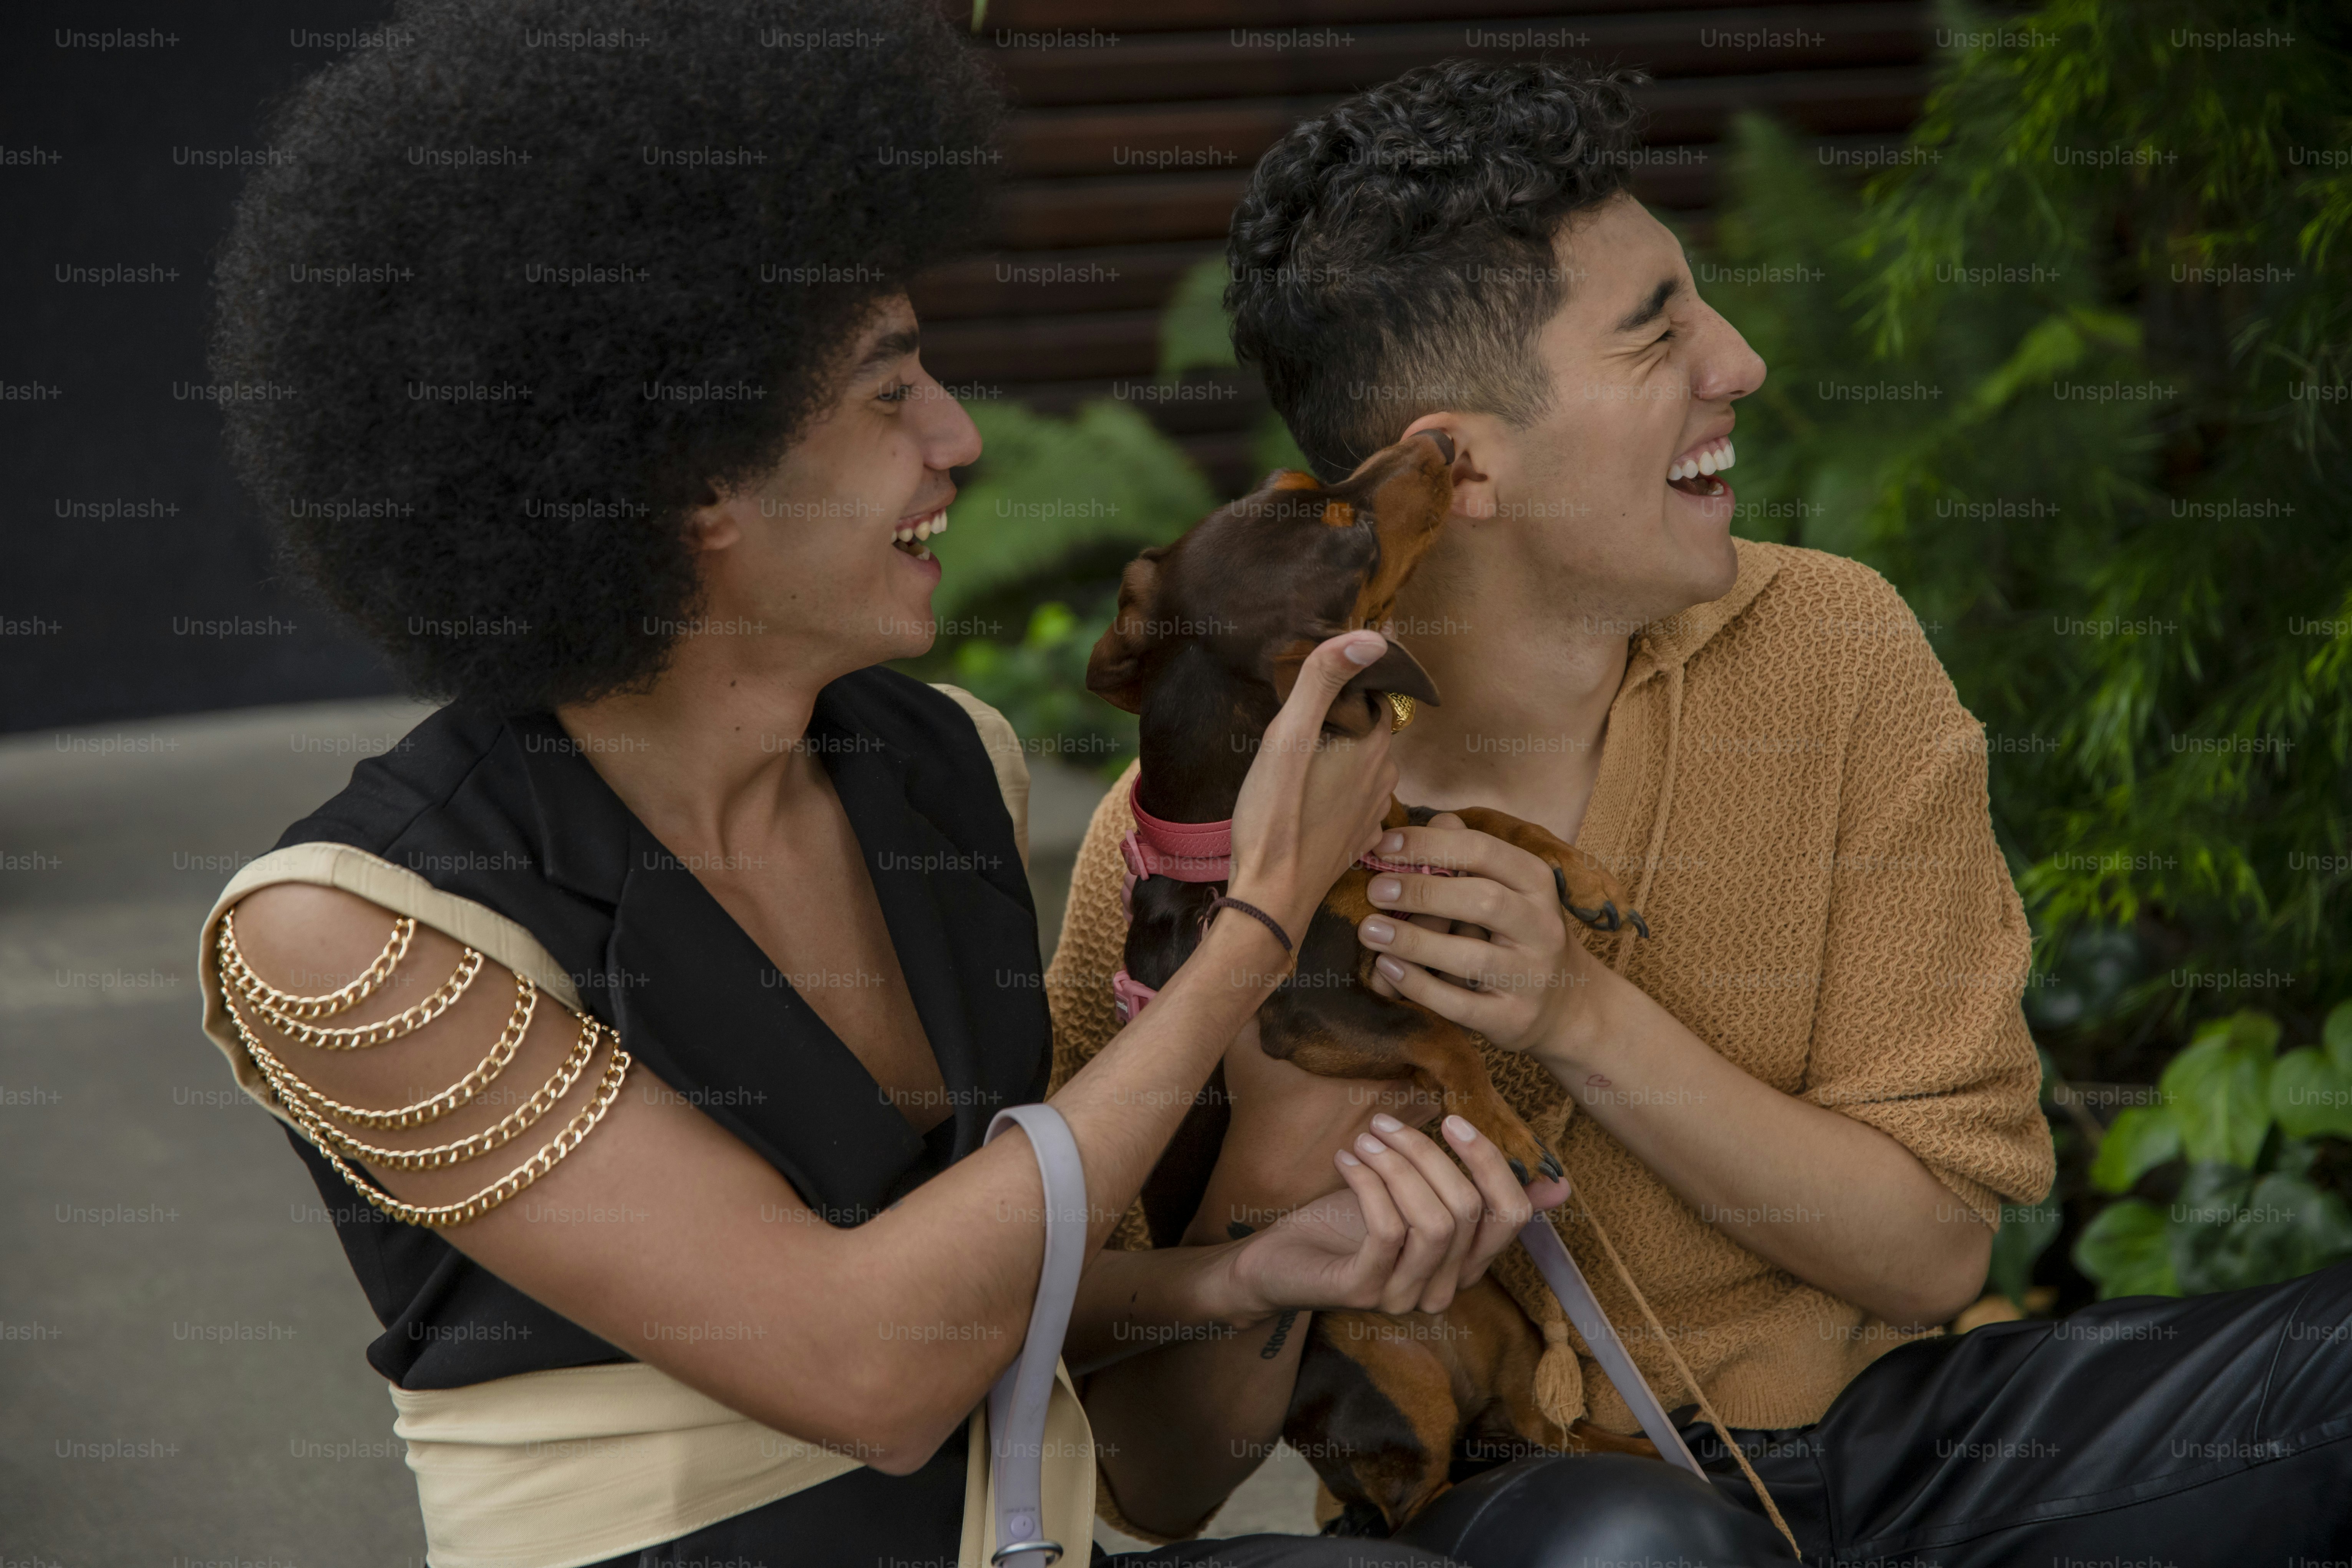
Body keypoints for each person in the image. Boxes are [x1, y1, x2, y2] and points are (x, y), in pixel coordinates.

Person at [193, 7, 1583, 1565]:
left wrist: (1240, 1275)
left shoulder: (935, 764)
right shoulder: (345, 931)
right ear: (691, 478)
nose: (959, 439)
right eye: (889, 393)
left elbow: (976, 1272)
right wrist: (1255, 920)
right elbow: (871, 1367)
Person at [1049, 60, 2352, 1566]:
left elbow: (1935, 1250)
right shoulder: (1185, 856)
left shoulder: (1832, 647)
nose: (1734, 363)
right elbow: (1153, 1479)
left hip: (1920, 1440)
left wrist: (1578, 1011)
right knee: (1634, 1550)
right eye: (1659, 332)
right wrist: (1276, 1174)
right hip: (1543, 1503)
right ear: (1448, 465)